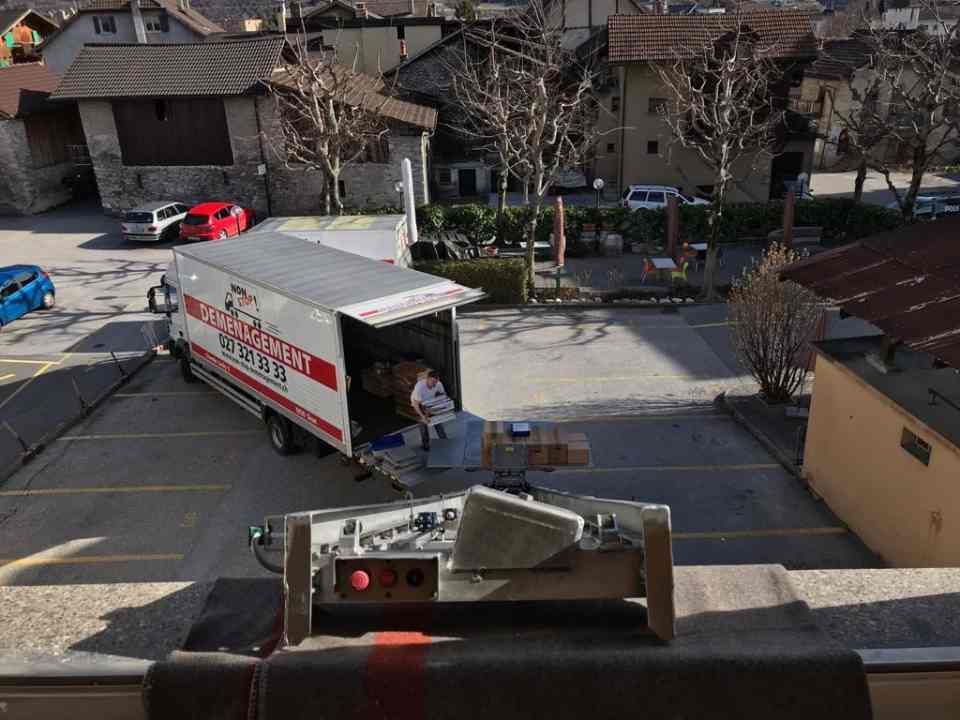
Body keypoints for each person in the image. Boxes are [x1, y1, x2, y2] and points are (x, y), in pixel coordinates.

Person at [410, 370, 448, 451]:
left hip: (431, 402)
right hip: (419, 403)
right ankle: (425, 445)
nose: (435, 384)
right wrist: (423, 416)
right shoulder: (419, 387)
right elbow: (416, 404)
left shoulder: (438, 383)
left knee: (438, 422)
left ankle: (444, 441)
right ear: (427, 379)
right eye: (433, 382)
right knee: (423, 424)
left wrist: (442, 407)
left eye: (436, 382)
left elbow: (443, 395)